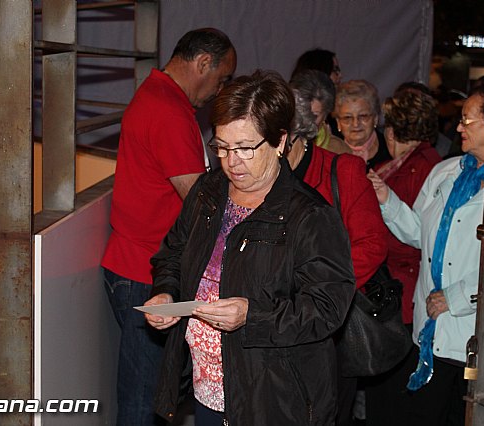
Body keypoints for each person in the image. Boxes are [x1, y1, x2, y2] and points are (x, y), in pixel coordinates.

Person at [144, 70, 355, 425]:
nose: (231, 161)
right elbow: (173, 252)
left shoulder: (309, 215)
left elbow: (327, 308)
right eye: (222, 147)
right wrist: (166, 293)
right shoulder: (209, 191)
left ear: (279, 141)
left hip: (273, 399)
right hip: (207, 390)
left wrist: (252, 317)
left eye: (244, 148)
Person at [369, 79, 484, 425]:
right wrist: (386, 200)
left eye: (468, 120)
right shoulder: (446, 171)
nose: (458, 127)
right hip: (429, 329)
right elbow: (418, 234)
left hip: (473, 332)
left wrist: (455, 297)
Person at [100, 28, 236, 425]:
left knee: (148, 391)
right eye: (222, 78)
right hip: (147, 271)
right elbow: (200, 200)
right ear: (203, 64)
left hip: (136, 263)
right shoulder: (169, 110)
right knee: (146, 397)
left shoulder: (158, 95)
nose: (219, 89)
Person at [288, 82, 388, 425]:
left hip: (329, 328)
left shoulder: (341, 169)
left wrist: (318, 294)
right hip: (271, 327)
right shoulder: (258, 179)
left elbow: (372, 246)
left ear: (298, 133)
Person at [363, 88, 442, 425]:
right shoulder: (426, 163)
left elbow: (415, 236)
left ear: (391, 130)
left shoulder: (418, 169)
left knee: (393, 394)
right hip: (403, 292)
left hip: (400, 293)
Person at [334, 80, 392, 172]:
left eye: (363, 116)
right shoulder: (330, 153)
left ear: (375, 118)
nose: (356, 124)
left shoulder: (389, 151)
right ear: (338, 122)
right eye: (347, 118)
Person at [290, 70, 349, 154]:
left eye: (313, 116)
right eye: (300, 113)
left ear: (325, 116)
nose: (305, 121)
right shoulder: (276, 145)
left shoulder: (339, 151)